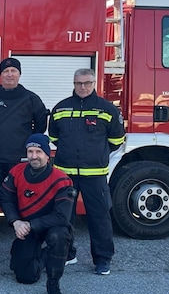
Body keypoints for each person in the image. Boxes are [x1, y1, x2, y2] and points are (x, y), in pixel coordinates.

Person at [48, 68, 126, 275]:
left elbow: (117, 140)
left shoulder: (107, 109)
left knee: (99, 217)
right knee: (64, 217)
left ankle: (102, 259)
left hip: (95, 174)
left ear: (94, 83)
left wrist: (98, 154)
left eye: (87, 83)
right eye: (78, 83)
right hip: (65, 174)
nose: (83, 87)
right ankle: (66, 254)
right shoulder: (61, 108)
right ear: (73, 84)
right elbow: (54, 137)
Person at [0, 134, 76, 294]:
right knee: (25, 277)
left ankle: (54, 284)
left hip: (51, 226)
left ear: (48, 155)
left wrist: (31, 225)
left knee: (59, 236)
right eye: (30, 151)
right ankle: (48, 254)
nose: (33, 156)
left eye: (38, 152)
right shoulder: (16, 172)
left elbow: (62, 217)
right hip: (26, 226)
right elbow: (5, 197)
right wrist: (15, 221)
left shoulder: (62, 180)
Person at [0, 57, 47, 188]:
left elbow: (40, 126)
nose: (9, 74)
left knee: (18, 197)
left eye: (13, 70)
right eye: (6, 71)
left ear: (19, 74)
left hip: (19, 160)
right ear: (0, 75)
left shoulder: (31, 99)